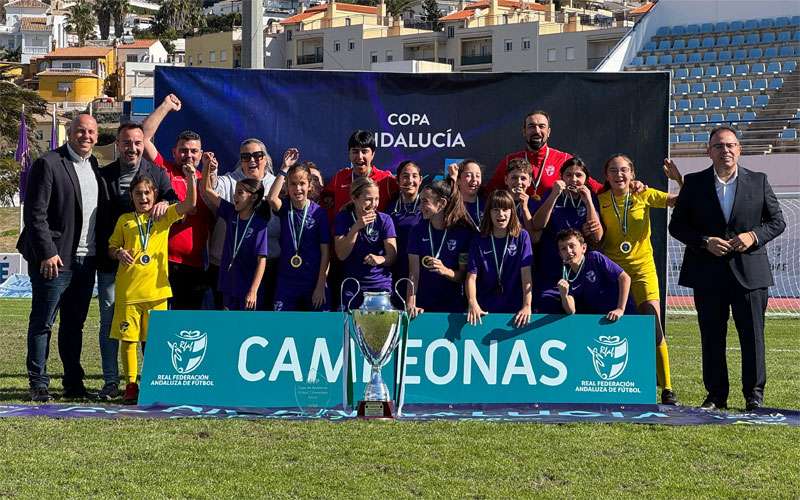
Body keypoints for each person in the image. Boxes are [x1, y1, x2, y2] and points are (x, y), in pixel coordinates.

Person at [669, 126, 786, 411]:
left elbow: (777, 221)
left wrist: (754, 236)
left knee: (753, 336)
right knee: (711, 335)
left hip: (750, 274)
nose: (726, 151)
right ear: (709, 151)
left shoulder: (759, 181)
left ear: (740, 149)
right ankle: (715, 395)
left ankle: (754, 395)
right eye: (719, 146)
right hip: (707, 274)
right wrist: (704, 241)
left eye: (731, 145)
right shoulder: (694, 183)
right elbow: (677, 226)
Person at [17, 114, 100, 402]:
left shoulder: (94, 166)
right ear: (70, 133)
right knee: (43, 323)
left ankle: (73, 384)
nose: (85, 136)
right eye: (80, 131)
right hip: (54, 261)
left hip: (85, 262)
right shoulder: (48, 163)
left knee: (73, 325)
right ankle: (38, 383)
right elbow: (34, 214)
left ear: (97, 136)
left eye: (91, 132)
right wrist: (47, 252)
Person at [94, 123, 177, 400]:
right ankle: (111, 382)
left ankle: (149, 381)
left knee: (149, 333)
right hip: (111, 264)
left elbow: (177, 202)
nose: (132, 148)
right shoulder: (103, 174)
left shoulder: (157, 173)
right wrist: (114, 251)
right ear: (118, 144)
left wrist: (165, 201)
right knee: (112, 327)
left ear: (144, 144)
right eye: (127, 143)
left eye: (138, 142)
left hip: (149, 274)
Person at [597, 153, 683, 406]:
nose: (619, 174)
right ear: (606, 175)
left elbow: (682, 201)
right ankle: (613, 383)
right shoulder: (600, 199)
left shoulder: (644, 194)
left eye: (624, 170)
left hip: (643, 270)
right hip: (612, 271)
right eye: (613, 170)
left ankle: (667, 387)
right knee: (611, 326)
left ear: (633, 174)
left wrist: (678, 179)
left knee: (652, 326)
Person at [108, 166, 197, 404]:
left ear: (155, 194)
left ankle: (153, 381)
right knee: (128, 341)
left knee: (155, 341)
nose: (144, 198)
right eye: (138, 194)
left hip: (157, 293)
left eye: (147, 193)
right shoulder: (124, 220)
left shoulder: (163, 216)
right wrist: (119, 253)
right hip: (128, 292)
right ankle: (130, 385)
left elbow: (189, 205)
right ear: (132, 196)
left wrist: (190, 177)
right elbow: (112, 246)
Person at [142, 93, 214, 310]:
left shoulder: (207, 185)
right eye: (183, 150)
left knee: (186, 326)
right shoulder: (164, 170)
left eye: (193, 151)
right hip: (162, 262)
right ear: (174, 152)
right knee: (156, 323)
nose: (188, 155)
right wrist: (165, 106)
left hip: (195, 265)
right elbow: (143, 138)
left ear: (201, 155)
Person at [203, 139, 281, 310]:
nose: (251, 160)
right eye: (245, 157)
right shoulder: (231, 191)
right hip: (230, 272)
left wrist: (284, 170)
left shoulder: (276, 185)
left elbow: (262, 259)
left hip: (263, 271)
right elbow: (210, 190)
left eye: (257, 155)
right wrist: (208, 169)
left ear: (265, 159)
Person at [531, 157, 603, 313]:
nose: (574, 179)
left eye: (579, 175)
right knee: (546, 308)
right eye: (569, 175)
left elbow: (597, 237)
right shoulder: (552, 193)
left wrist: (589, 201)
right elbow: (537, 225)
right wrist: (554, 195)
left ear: (586, 179)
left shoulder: (591, 198)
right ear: (561, 177)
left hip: (580, 272)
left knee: (585, 312)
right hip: (551, 270)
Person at [267, 151, 331, 311]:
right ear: (287, 186)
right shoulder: (285, 206)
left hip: (313, 280)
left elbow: (325, 253)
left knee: (318, 328)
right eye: (293, 184)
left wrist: (321, 284)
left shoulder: (319, 213)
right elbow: (271, 198)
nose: (298, 188)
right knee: (282, 326)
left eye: (302, 183)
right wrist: (284, 168)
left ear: (310, 185)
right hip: (287, 281)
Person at [487, 110, 603, 197]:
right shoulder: (510, 160)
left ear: (548, 132)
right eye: (531, 127)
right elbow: (489, 191)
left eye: (541, 126)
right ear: (524, 131)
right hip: (519, 224)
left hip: (552, 225)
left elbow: (596, 187)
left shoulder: (564, 159)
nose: (537, 131)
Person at [466, 190, 533, 328]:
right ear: (489, 213)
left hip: (515, 309)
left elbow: (526, 275)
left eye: (505, 209)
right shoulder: (479, 240)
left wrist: (527, 306)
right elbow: (471, 277)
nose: (501, 214)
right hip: (484, 309)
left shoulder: (522, 236)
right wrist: (472, 303)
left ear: (512, 212)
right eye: (496, 210)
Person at [406, 180, 472, 317]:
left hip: (452, 308)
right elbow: (413, 273)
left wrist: (445, 271)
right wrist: (411, 304)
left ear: (441, 203)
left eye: (425, 201)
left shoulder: (462, 233)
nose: (420, 207)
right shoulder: (417, 231)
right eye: (420, 201)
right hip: (423, 307)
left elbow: (463, 275)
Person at [334, 176, 397, 309]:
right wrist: (356, 227)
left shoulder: (385, 220)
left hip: (379, 285)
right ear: (354, 198)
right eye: (368, 199)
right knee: (350, 328)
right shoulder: (343, 218)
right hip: (352, 286)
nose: (374, 204)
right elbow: (341, 254)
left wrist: (380, 259)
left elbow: (392, 257)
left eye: (377, 199)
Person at [555, 229, 635, 320]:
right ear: (560, 255)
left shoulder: (595, 258)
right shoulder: (566, 275)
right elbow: (571, 311)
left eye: (572, 246)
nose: (568, 251)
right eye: (563, 249)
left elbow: (625, 278)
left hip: (624, 315)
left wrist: (620, 309)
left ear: (583, 248)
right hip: (600, 320)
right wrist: (564, 295)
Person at [321, 130, 399, 221]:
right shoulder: (339, 178)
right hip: (344, 234)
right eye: (355, 152)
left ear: (373, 154)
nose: (359, 156)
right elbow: (324, 200)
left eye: (364, 151)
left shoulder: (386, 180)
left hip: (375, 234)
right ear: (349, 154)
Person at [389, 160, 423, 305]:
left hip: (423, 275)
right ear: (397, 181)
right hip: (396, 273)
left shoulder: (429, 208)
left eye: (414, 176)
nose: (410, 181)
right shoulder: (390, 209)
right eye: (405, 176)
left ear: (421, 180)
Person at [448, 159, 485, 232]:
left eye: (478, 176)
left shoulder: (488, 204)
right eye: (468, 175)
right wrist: (453, 178)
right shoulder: (450, 205)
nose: (474, 179)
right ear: (458, 180)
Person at [504, 157, 537, 235]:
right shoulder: (497, 201)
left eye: (523, 178)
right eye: (514, 178)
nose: (519, 182)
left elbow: (533, 236)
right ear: (506, 180)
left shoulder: (535, 204)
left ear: (529, 182)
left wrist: (524, 208)